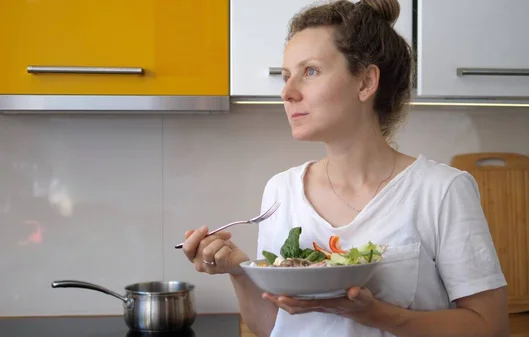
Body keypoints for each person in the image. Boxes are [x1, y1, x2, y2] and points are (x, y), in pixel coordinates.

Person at [182, 0, 510, 336]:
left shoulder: (441, 191)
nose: (287, 92)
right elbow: (273, 327)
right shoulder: (281, 191)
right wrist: (239, 271)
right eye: (286, 76)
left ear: (366, 82)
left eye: (309, 71)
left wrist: (378, 315)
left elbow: (491, 327)